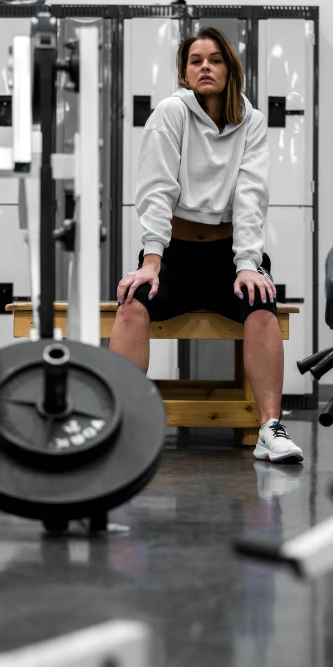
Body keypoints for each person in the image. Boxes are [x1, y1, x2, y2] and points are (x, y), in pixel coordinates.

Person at [109, 26, 303, 463]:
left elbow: (252, 195)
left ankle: (270, 428)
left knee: (261, 306)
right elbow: (157, 189)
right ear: (184, 72)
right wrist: (152, 260)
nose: (205, 67)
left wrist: (249, 264)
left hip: (227, 254)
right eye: (196, 61)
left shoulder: (251, 121)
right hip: (174, 252)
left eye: (214, 59)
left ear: (229, 68)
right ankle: (120, 421)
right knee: (132, 302)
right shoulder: (170, 113)